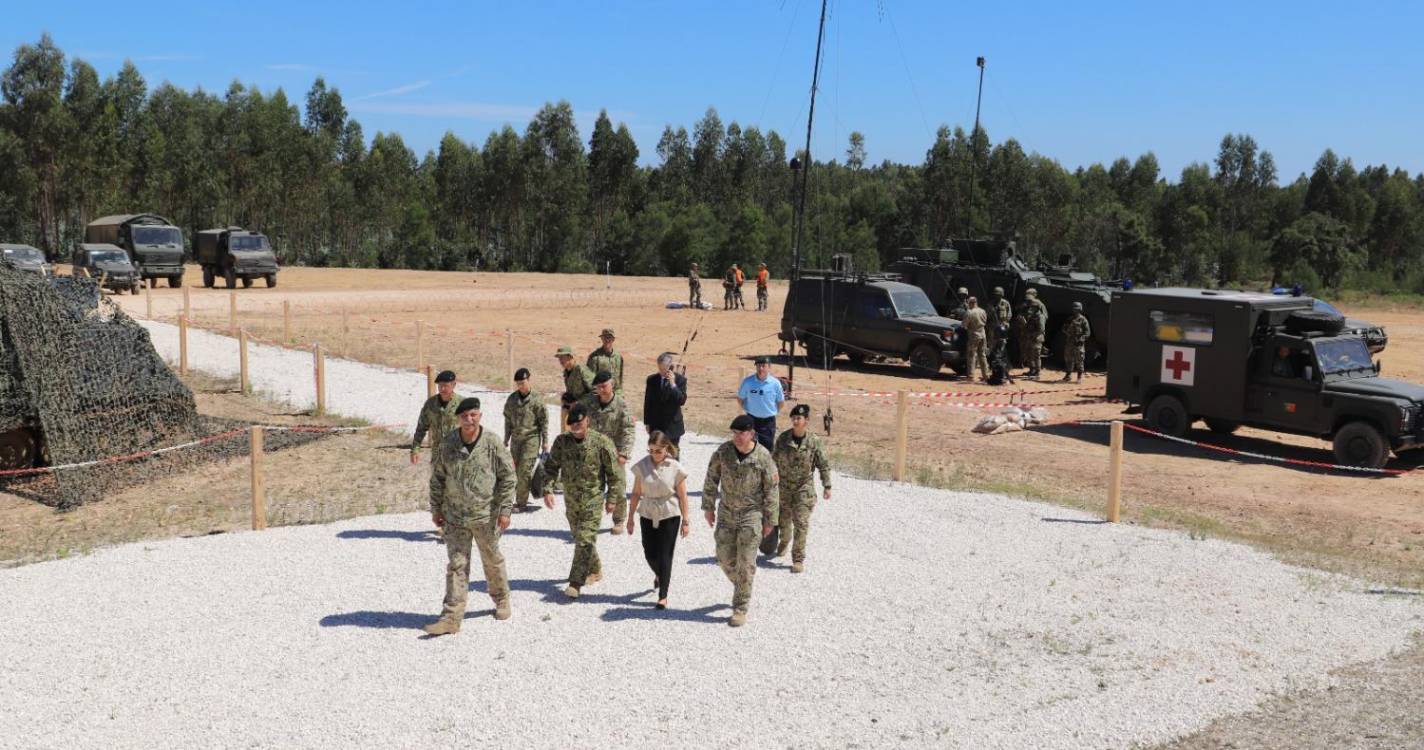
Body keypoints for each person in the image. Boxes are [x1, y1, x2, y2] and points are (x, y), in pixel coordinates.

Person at [423, 397, 515, 636]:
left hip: (486, 516)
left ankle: (501, 599)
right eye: (464, 416)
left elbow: (508, 477)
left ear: (480, 416)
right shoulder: (448, 444)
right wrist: (436, 508)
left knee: (492, 560)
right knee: (457, 566)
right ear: (458, 418)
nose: (469, 419)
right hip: (455, 517)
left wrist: (505, 510)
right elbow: (438, 479)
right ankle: (451, 616)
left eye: (473, 415)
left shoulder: (493, 443)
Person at [537, 405, 624, 599]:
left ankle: (575, 582)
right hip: (571, 501)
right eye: (572, 424)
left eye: (579, 423)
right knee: (581, 538)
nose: (576, 427)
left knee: (584, 539)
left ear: (587, 421)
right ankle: (595, 569)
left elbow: (614, 475)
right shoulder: (562, 442)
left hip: (593, 499)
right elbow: (551, 467)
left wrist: (611, 499)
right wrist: (548, 489)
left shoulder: (602, 443)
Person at [702, 414, 779, 627]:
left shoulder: (763, 457)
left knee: (746, 562)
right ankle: (743, 585)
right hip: (726, 513)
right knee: (723, 558)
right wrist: (708, 507)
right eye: (734, 433)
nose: (737, 437)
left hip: (751, 515)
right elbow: (711, 479)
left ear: (752, 433)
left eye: (741, 433)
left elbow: (772, 490)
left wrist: (770, 520)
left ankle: (740, 606)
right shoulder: (723, 452)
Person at [626, 431, 690, 609]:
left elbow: (683, 496)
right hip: (647, 512)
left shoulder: (675, 467)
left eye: (658, 451)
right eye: (651, 450)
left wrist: (686, 520)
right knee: (649, 552)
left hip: (669, 513)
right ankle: (660, 574)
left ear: (667, 448)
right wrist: (630, 517)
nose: (654, 454)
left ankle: (663, 595)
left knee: (665, 554)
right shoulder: (642, 466)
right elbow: (636, 493)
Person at [771, 404, 831, 573]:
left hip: (804, 488)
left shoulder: (814, 442)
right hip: (784, 488)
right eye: (794, 418)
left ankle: (798, 559)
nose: (796, 421)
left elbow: (823, 464)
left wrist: (827, 485)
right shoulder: (783, 439)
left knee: (801, 523)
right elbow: (772, 462)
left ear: (807, 421)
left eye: (799, 418)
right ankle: (784, 540)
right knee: (784, 522)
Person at [579, 371, 634, 534]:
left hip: (614, 454)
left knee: (618, 487)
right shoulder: (589, 403)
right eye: (598, 387)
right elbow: (579, 422)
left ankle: (619, 520)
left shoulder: (621, 405)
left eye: (604, 386)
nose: (601, 390)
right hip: (593, 453)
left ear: (612, 385)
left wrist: (624, 453)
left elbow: (629, 429)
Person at [503, 368, 548, 512]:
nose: (521, 386)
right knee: (514, 470)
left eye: (523, 383)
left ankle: (521, 503)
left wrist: (545, 441)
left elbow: (544, 422)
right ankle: (517, 497)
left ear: (529, 380)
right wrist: (506, 438)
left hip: (531, 439)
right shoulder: (512, 399)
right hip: (516, 440)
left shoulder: (537, 400)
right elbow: (508, 420)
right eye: (518, 384)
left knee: (524, 470)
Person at [410, 369, 459, 464]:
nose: (442, 389)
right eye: (440, 386)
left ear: (454, 385)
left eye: (446, 386)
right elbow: (421, 428)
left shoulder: (462, 404)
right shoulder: (430, 404)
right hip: (438, 456)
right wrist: (415, 449)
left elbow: (472, 430)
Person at [737, 355, 785, 451]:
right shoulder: (748, 382)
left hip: (768, 422)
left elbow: (781, 402)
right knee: (748, 448)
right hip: (751, 419)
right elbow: (740, 399)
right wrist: (747, 410)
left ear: (769, 367)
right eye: (758, 366)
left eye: (763, 366)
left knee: (766, 449)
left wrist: (771, 412)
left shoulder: (775, 384)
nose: (760, 368)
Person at [643, 352, 688, 446]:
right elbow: (648, 402)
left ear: (670, 367)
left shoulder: (680, 380)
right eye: (660, 369)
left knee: (673, 456)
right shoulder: (651, 380)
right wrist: (647, 422)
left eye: (664, 369)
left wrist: (673, 385)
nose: (662, 372)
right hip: (656, 426)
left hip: (672, 427)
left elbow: (681, 400)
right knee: (656, 453)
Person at [556, 345, 595, 431]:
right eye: (559, 358)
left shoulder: (581, 370)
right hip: (573, 410)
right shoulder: (566, 372)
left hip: (586, 411)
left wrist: (578, 402)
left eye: (562, 357)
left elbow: (595, 391)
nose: (560, 361)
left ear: (570, 356)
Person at [586, 328, 625, 396]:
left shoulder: (618, 357)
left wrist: (620, 394)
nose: (607, 340)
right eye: (605, 338)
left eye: (609, 337)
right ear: (602, 339)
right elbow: (590, 379)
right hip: (601, 394)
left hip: (616, 394)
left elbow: (620, 379)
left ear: (613, 339)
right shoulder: (595, 357)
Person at [1061, 302, 1091, 383]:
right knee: (1068, 359)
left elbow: (1087, 332)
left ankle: (1080, 376)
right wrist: (1067, 331)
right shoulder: (1069, 319)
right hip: (1069, 342)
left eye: (1077, 309)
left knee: (1079, 359)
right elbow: (1063, 328)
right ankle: (1068, 375)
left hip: (1078, 343)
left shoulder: (1083, 320)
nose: (1075, 310)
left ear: (1080, 309)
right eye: (1074, 309)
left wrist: (1081, 339)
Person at [962, 297, 990, 383]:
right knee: (982, 355)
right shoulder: (982, 311)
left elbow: (964, 325)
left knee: (971, 355)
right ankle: (986, 376)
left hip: (974, 336)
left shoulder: (969, 312)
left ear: (970, 303)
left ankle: (970, 377)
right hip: (982, 335)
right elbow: (985, 321)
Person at [1022, 288, 1048, 377]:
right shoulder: (1032, 315)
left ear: (1036, 307)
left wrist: (1032, 335)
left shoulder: (1040, 316)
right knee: (1029, 354)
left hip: (1037, 337)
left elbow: (1041, 329)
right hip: (1031, 336)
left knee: (1036, 355)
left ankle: (1037, 372)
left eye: (1032, 306)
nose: (1030, 307)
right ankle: (1031, 370)